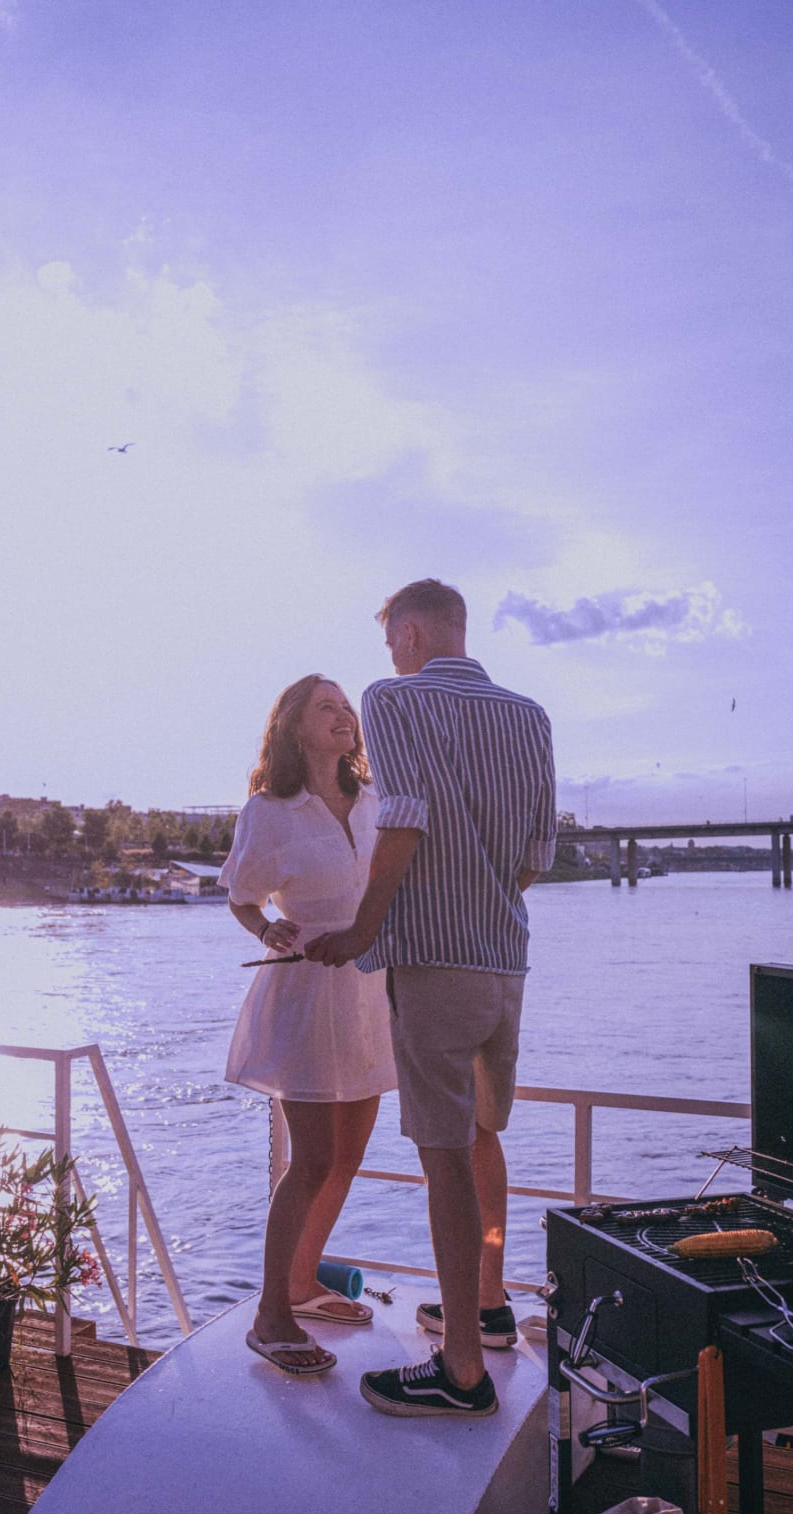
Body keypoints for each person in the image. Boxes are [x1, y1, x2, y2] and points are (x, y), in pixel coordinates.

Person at [306, 579, 556, 1417]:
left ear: (410, 634)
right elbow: (535, 857)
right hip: (505, 964)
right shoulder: (530, 716)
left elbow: (404, 818)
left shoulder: (394, 699)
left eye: (392, 643)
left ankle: (461, 1371)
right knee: (482, 1134)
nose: (391, 658)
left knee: (442, 1156)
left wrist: (360, 932)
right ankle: (486, 1308)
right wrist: (482, 904)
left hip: (434, 965)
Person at [220, 674, 398, 1377]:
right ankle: (271, 1315)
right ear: (294, 727)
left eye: (346, 705)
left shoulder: (377, 799)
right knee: (314, 1158)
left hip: (370, 990)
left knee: (349, 1155)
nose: (344, 715)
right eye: (327, 707)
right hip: (307, 993)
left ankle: (301, 1285)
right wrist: (266, 927)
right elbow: (241, 895)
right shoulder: (270, 811)